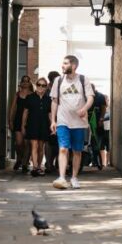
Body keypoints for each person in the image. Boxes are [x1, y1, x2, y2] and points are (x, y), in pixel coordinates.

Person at [50, 55, 94, 189]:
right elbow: (54, 101)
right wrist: (53, 120)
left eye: (65, 63)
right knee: (63, 149)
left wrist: (84, 108)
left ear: (73, 66)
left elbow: (91, 97)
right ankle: (62, 177)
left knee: (77, 151)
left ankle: (74, 177)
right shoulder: (58, 80)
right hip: (63, 120)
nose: (62, 66)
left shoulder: (83, 79)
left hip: (79, 122)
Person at [21, 77, 52, 177]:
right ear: (36, 85)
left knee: (41, 147)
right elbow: (25, 112)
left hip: (44, 125)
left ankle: (39, 166)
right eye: (39, 84)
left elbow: (50, 114)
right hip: (32, 124)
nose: (40, 87)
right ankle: (35, 167)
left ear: (46, 87)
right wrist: (23, 125)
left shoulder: (48, 99)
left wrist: (52, 124)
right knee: (34, 145)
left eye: (43, 85)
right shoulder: (30, 97)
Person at [9, 75, 33, 172]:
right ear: (21, 82)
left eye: (27, 81)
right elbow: (13, 108)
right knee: (19, 143)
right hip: (18, 120)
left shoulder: (32, 94)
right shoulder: (17, 94)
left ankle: (24, 163)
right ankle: (19, 158)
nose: (25, 83)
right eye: (23, 81)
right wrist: (10, 120)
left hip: (29, 120)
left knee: (27, 143)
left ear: (29, 83)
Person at [88, 84, 108, 170]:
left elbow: (103, 108)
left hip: (97, 122)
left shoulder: (100, 96)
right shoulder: (87, 96)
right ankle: (94, 160)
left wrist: (101, 119)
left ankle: (98, 161)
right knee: (90, 142)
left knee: (97, 142)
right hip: (87, 121)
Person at [44, 70, 61, 174]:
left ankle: (53, 163)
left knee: (56, 142)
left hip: (59, 118)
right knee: (49, 142)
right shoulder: (47, 91)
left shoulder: (59, 89)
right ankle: (49, 164)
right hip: (49, 119)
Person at [100, 96, 110, 167]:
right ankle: (103, 163)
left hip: (108, 130)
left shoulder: (110, 109)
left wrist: (101, 118)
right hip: (102, 130)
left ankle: (107, 162)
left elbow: (108, 116)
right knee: (101, 147)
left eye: (106, 100)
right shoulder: (101, 109)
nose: (106, 101)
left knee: (108, 147)